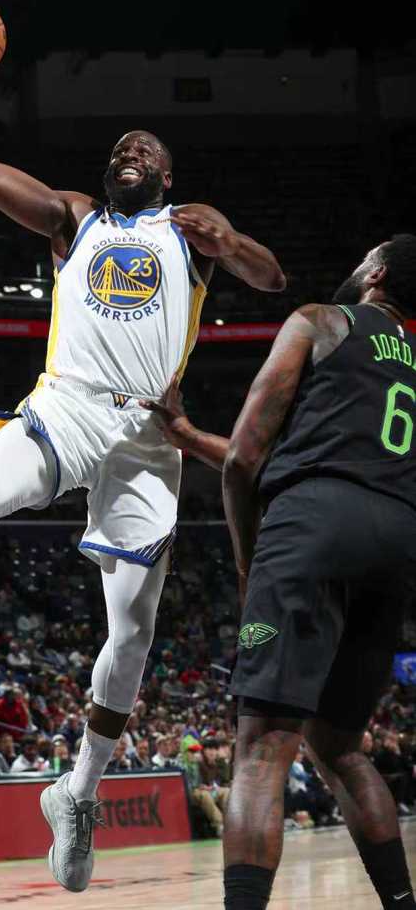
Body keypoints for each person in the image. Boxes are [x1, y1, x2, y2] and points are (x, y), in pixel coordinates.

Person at [0, 11, 285, 894]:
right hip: (66, 405)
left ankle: (77, 792)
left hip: (148, 438)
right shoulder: (75, 218)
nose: (129, 151)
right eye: (120, 149)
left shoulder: (190, 232)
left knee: (132, 634)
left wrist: (230, 242)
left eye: (146, 149)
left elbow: (272, 277)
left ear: (167, 175)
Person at [148, 234, 416, 910]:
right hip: (396, 541)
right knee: (342, 748)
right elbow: (303, 459)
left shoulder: (320, 320)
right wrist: (187, 436)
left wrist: (248, 563)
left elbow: (246, 458)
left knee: (263, 747)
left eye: (365, 255)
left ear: (378, 272)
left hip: (313, 528)